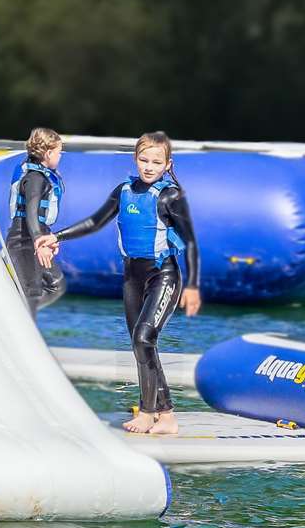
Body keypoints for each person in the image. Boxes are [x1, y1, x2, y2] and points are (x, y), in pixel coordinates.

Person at [43, 131, 202, 435]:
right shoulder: (124, 190)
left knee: (144, 339)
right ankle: (166, 416)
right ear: (135, 159)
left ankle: (147, 412)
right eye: (144, 159)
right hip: (132, 276)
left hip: (163, 275)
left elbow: (191, 243)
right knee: (141, 345)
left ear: (167, 165)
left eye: (157, 162)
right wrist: (57, 236)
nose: (149, 166)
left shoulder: (171, 196)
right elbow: (94, 221)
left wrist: (192, 286)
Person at [6, 128, 69, 318]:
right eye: (59, 153)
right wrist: (39, 243)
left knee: (55, 285)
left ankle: (17, 316)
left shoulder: (38, 175)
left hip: (32, 237)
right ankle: (16, 321)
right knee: (32, 294)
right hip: (24, 241)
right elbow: (31, 213)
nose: (60, 157)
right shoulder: (35, 178)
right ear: (48, 153)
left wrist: (46, 239)